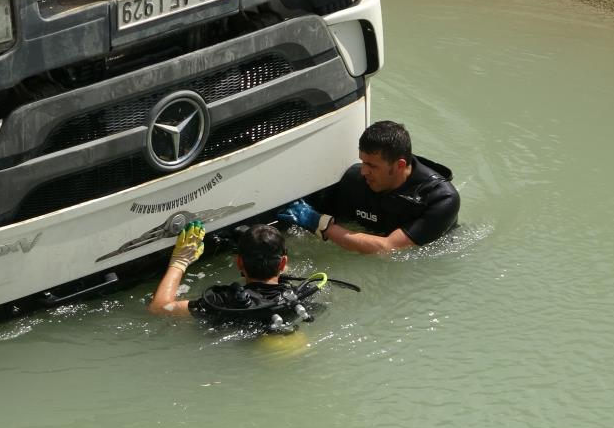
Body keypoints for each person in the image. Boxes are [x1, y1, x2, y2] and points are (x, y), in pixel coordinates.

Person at [277, 120, 460, 254]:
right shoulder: (354, 180)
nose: (363, 171)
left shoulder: (441, 199)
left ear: (400, 165)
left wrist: (321, 225)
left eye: (372, 166)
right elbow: (302, 212)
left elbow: (388, 248)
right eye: (362, 162)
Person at [148, 222, 343, 334]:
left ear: (239, 263)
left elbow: (159, 307)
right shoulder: (294, 294)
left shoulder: (225, 301)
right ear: (283, 264)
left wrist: (180, 260)